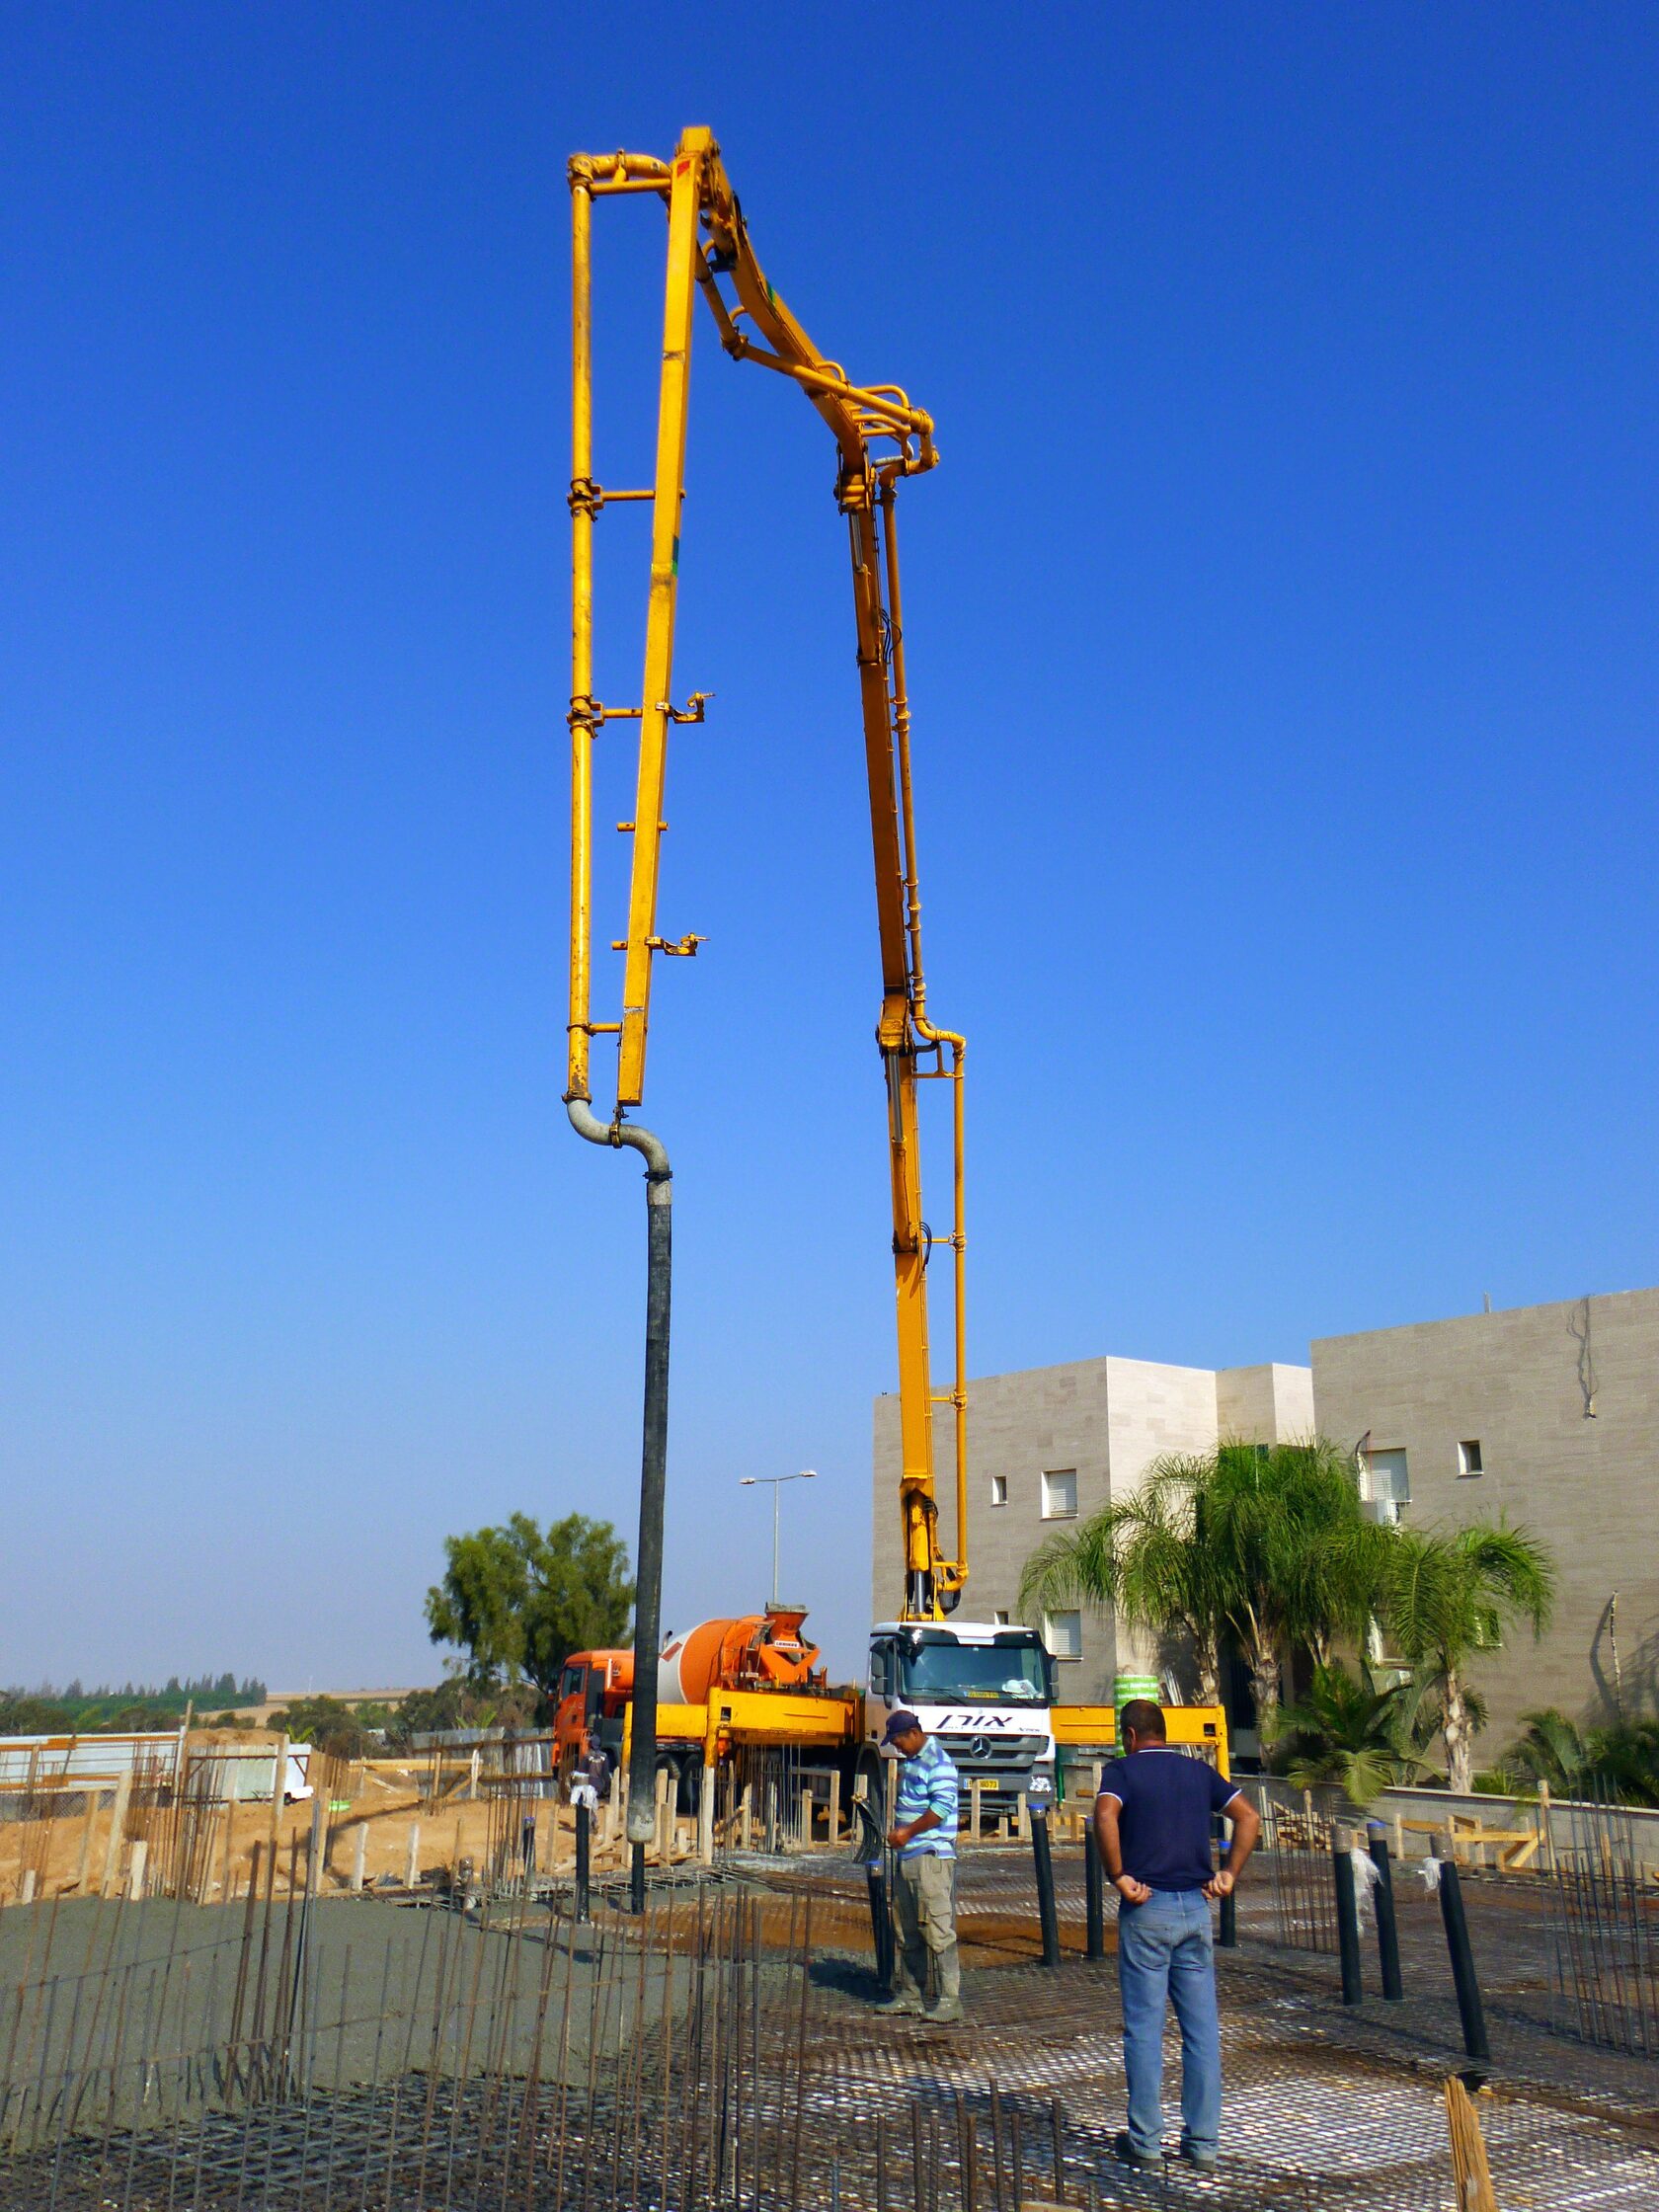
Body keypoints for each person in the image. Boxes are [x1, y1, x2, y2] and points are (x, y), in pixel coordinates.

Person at [1093, 1699, 1260, 2175]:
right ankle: (1203, 2145)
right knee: (1201, 2032)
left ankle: (1145, 2143)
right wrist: (1229, 1874)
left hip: (1148, 1908)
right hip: (1195, 1909)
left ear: (1129, 1735)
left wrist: (1118, 1874)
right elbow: (1248, 1817)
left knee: (1145, 2030)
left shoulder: (1122, 1773)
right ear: (1163, 1733)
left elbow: (1105, 1817)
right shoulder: (1198, 1772)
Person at [876, 1710, 965, 2023]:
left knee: (938, 1929)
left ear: (914, 1733)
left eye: (898, 1740)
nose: (896, 1747)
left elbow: (940, 1809)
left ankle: (950, 2001)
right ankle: (911, 1996)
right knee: (907, 1929)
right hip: (909, 1858)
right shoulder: (911, 1762)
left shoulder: (938, 1763)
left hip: (931, 1857)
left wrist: (906, 1832)